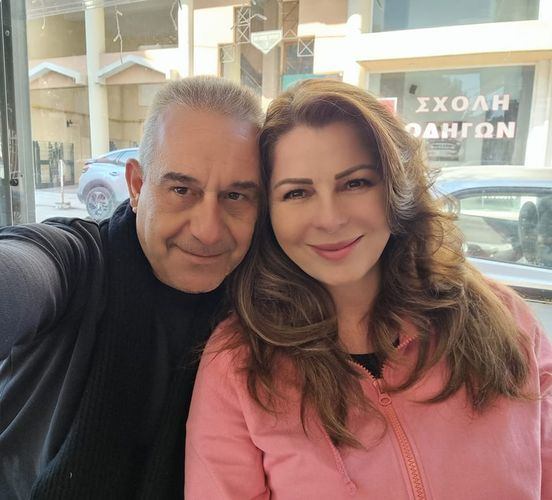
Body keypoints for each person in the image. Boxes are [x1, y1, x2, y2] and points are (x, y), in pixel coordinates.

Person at [185, 79, 552, 499]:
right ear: (269, 212)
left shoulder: (505, 319)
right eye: (297, 192)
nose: (330, 218)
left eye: (355, 183)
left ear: (396, 188)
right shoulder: (239, 363)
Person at [0, 76, 262, 499]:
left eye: (235, 196)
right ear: (137, 186)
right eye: (181, 189)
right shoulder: (75, 263)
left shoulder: (263, 310)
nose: (209, 231)